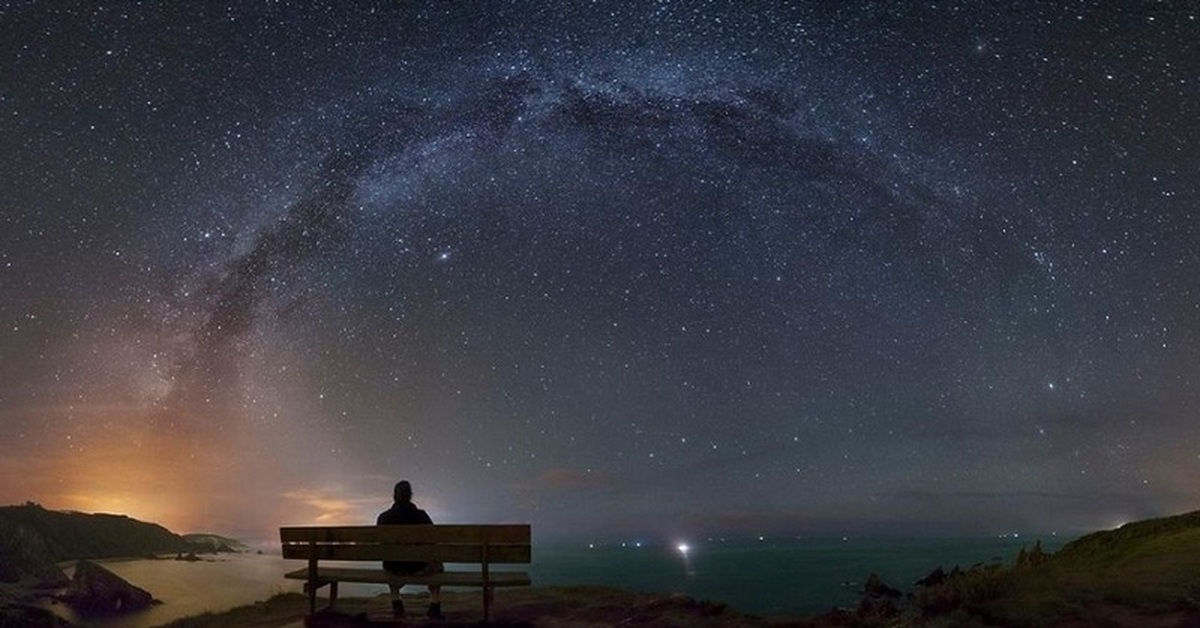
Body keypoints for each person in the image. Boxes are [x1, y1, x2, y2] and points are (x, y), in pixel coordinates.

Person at [377, 480, 443, 619]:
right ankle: (435, 604)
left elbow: (381, 545)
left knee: (390, 561)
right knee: (438, 563)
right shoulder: (422, 516)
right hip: (420, 567)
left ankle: (397, 603)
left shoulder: (383, 518)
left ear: (394, 496)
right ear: (410, 495)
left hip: (393, 568)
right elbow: (434, 540)